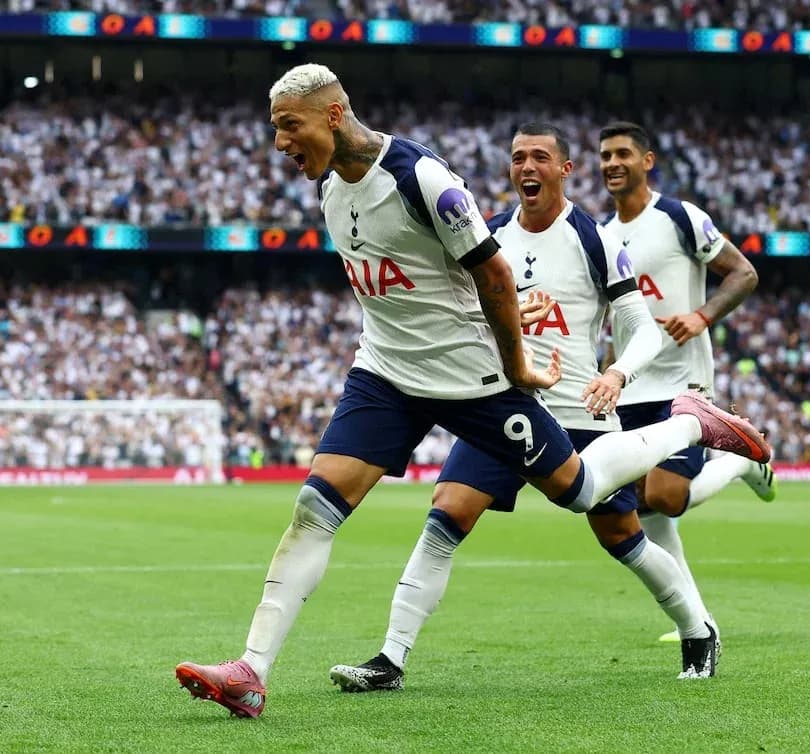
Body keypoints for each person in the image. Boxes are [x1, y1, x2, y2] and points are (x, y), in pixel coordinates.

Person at [175, 65, 769, 719]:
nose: (281, 142)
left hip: (487, 385)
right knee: (340, 511)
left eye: (290, 125)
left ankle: (690, 427)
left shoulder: (431, 182)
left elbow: (495, 278)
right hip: (387, 377)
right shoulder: (331, 192)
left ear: (334, 114)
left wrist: (552, 369)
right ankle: (259, 670)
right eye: (517, 157)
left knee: (585, 500)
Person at [327, 122, 726, 695]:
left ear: (564, 169)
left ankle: (697, 627)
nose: (527, 167)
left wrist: (617, 372)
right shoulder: (487, 238)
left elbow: (641, 329)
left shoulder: (593, 238)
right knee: (448, 511)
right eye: (518, 158)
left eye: (540, 157)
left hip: (580, 415)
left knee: (623, 537)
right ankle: (390, 658)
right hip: (502, 402)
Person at [598, 121, 777, 643]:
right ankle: (698, 621)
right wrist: (609, 375)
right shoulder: (604, 238)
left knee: (668, 494)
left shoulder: (678, 217)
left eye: (623, 154)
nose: (612, 163)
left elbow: (743, 273)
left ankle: (742, 463)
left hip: (684, 382)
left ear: (646, 161)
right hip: (632, 389)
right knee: (645, 504)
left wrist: (701, 316)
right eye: (605, 155)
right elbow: (618, 321)